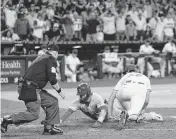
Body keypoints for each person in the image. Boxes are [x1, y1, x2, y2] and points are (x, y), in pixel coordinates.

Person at [1, 44, 65, 135]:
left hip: (29, 87)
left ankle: (49, 128)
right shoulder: (51, 59)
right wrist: (60, 92)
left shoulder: (41, 57)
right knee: (33, 114)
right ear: (55, 53)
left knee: (52, 101)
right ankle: (7, 120)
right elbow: (52, 79)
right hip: (30, 88)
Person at [108, 64, 153, 129]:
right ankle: (129, 113)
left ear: (127, 71)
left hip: (123, 93)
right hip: (138, 92)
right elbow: (146, 101)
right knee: (134, 114)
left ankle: (128, 111)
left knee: (117, 95)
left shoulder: (125, 76)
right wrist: (139, 110)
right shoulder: (146, 78)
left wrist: (110, 116)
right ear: (137, 70)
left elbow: (111, 97)